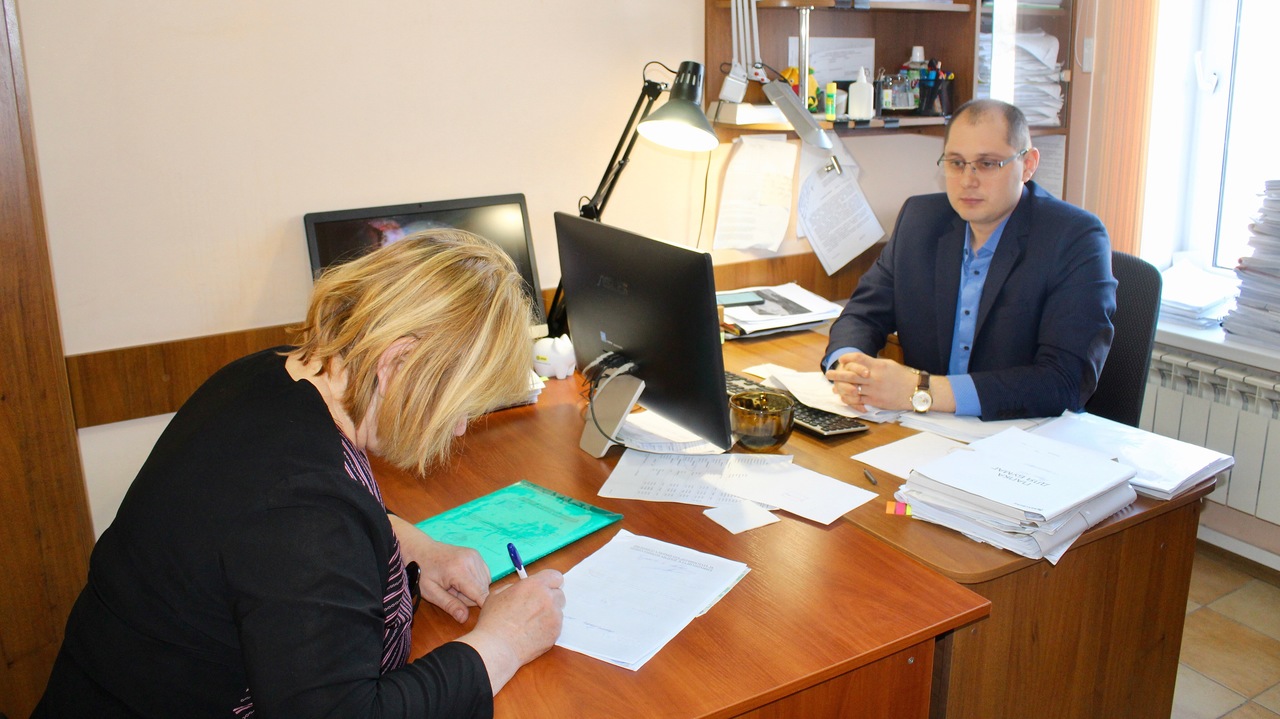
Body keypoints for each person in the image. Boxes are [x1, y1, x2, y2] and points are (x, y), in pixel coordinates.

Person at [34, 230, 564, 718]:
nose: (460, 426)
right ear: (398, 362)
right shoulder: (305, 510)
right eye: (458, 403)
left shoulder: (269, 374)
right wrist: (503, 642)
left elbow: (297, 516)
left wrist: (417, 547)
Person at [824, 99, 1116, 421]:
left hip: (1021, 433)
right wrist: (850, 368)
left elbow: (1064, 381)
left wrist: (921, 390)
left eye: (987, 163)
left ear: (1028, 164)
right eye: (956, 163)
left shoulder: (1075, 238)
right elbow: (861, 316)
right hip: (926, 429)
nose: (967, 180)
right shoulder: (920, 221)